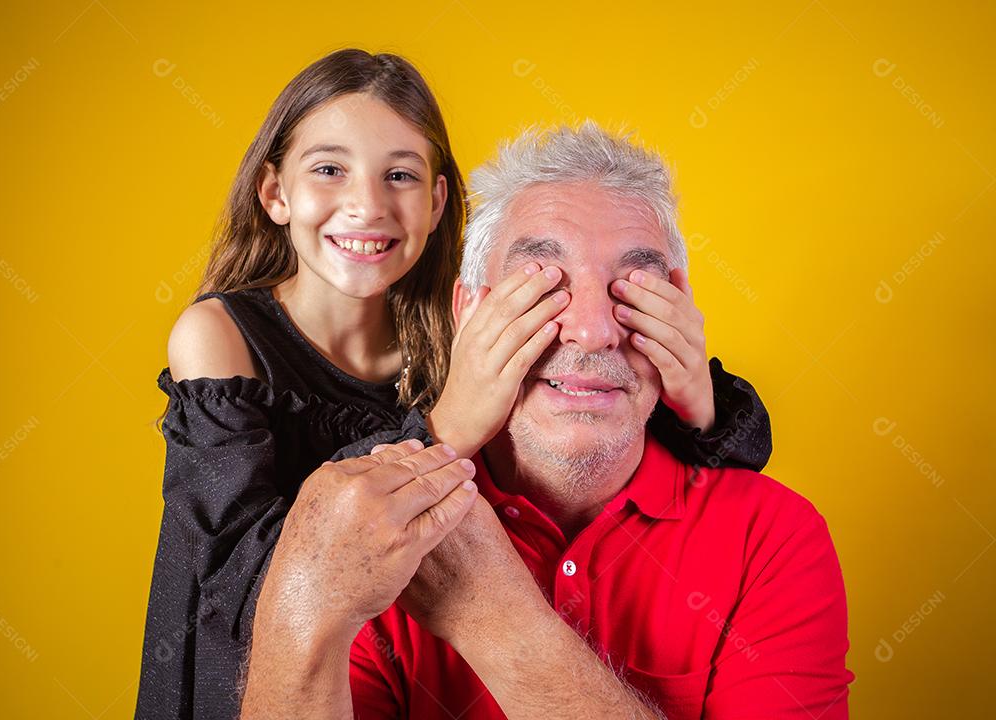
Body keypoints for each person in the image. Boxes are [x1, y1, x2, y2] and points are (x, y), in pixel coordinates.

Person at [136, 50, 772, 719]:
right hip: (234, 686)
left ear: (437, 201)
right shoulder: (216, 336)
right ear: (275, 194)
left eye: (400, 176)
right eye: (329, 169)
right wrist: (448, 429)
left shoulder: (448, 331)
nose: (367, 205)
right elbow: (251, 587)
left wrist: (696, 407)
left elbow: (598, 418)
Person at [240, 123, 851, 719]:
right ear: (469, 310)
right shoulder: (374, 529)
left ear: (680, 311)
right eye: (543, 285)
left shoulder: (774, 539)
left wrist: (491, 615)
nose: (593, 330)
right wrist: (306, 605)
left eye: (632, 287)